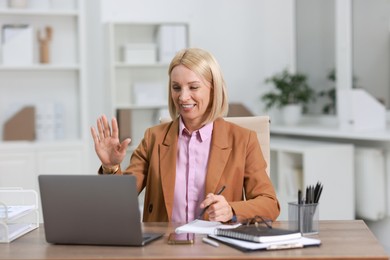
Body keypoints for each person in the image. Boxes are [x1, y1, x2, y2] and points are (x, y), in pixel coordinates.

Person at [91, 47, 280, 223]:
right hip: (164, 248)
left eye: (193, 87)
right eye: (176, 88)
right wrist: (111, 167)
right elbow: (118, 201)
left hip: (216, 248)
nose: (183, 97)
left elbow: (270, 204)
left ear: (213, 88)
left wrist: (231, 209)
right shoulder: (153, 138)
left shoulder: (243, 140)